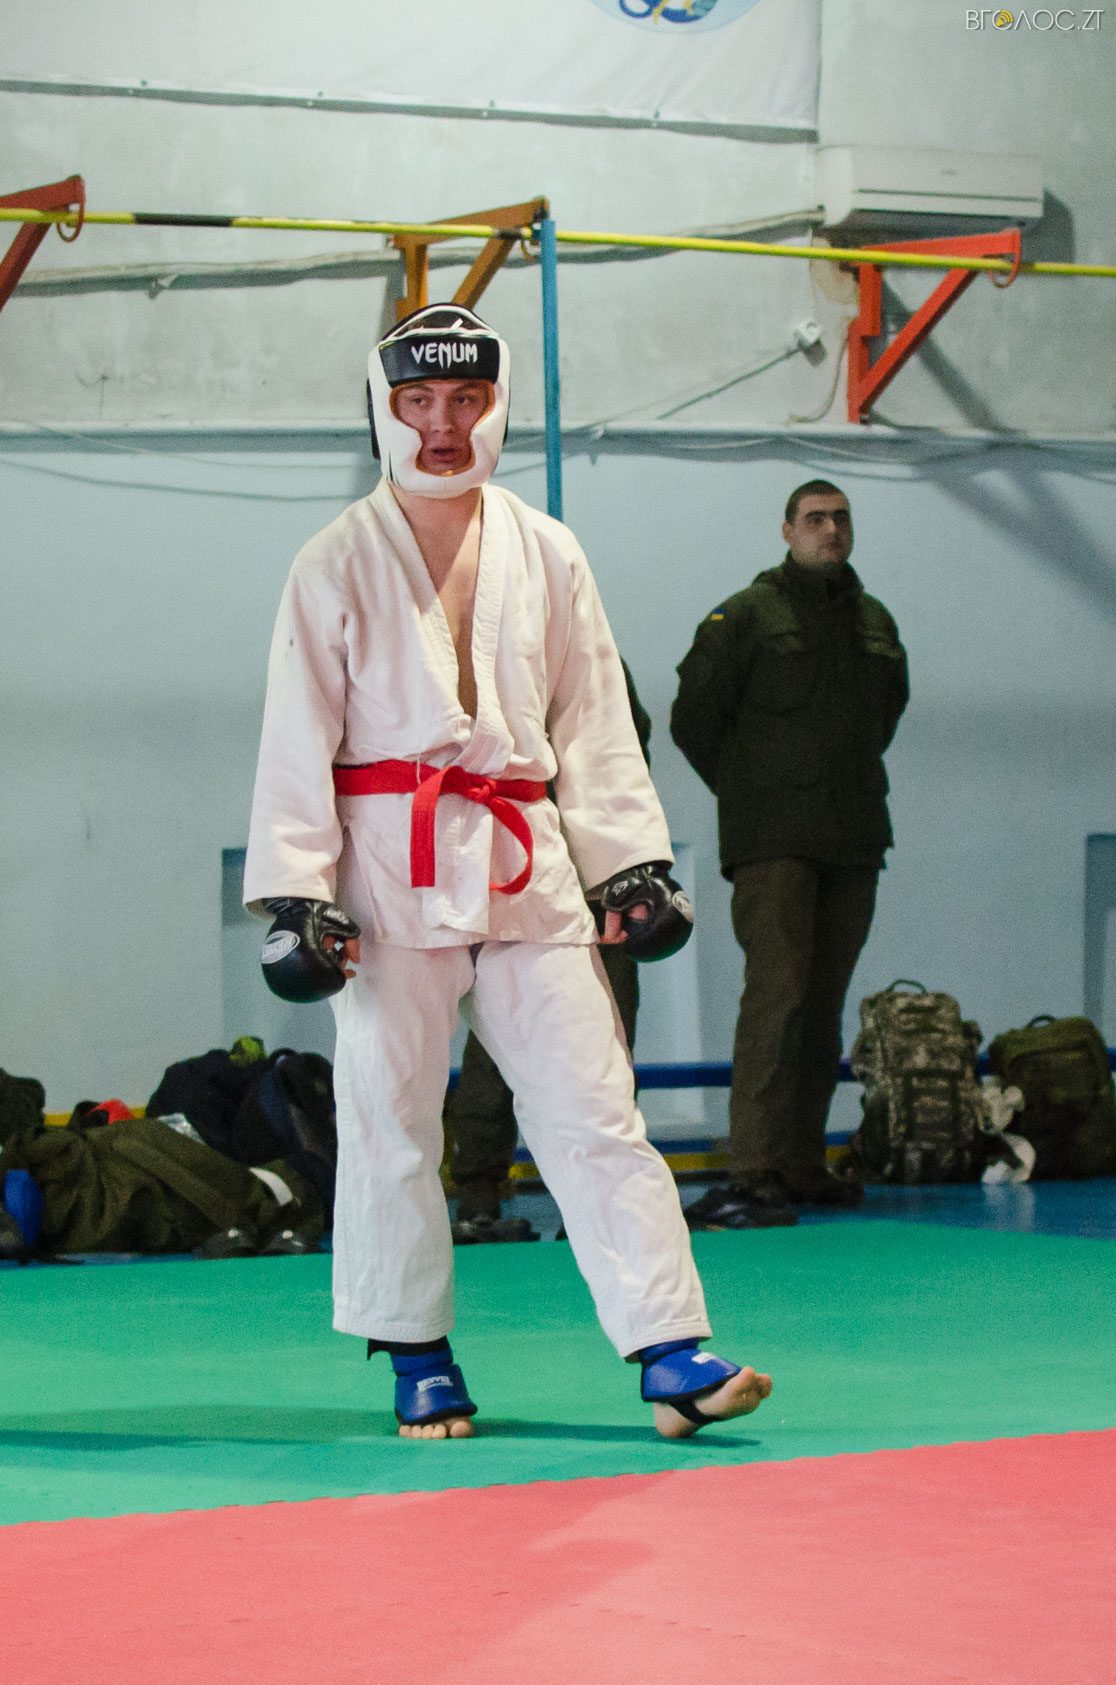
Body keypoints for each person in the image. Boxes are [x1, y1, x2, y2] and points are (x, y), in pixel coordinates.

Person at [244, 304, 771, 1440]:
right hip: (387, 874)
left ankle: (671, 1348)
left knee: (595, 1105)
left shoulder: (548, 550)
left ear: (498, 406)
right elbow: (296, 733)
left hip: (526, 864)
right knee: (391, 1119)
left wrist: (630, 863)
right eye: (419, 401)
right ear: (384, 410)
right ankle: (416, 1351)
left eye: (466, 399)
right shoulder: (334, 560)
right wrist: (297, 891)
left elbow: (593, 720)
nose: (443, 424)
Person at [671, 480, 909, 1230]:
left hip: (854, 835)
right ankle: (753, 1169)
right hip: (774, 842)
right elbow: (692, 719)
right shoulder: (745, 616)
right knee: (776, 997)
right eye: (814, 519)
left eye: (840, 518)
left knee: (824, 1002)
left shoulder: (874, 621)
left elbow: (885, 714)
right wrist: (754, 792)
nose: (829, 530)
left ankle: (803, 1162)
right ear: (787, 530)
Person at [448, 660, 649, 1244]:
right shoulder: (573, 653)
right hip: (530, 869)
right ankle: (493, 1193)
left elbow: (628, 756)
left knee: (592, 1044)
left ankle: (501, 1199)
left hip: (565, 875)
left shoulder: (520, 650)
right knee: (527, 1036)